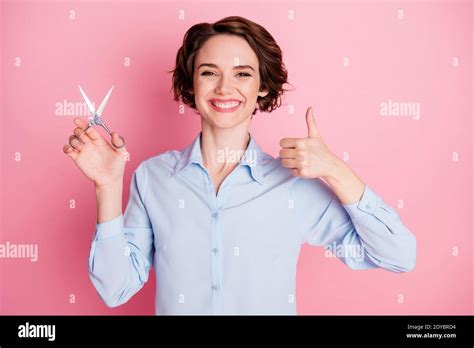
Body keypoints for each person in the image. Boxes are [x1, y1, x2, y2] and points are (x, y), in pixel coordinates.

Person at [63, 16, 416, 315]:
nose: (225, 88)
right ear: (192, 84)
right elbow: (115, 289)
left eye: (243, 74)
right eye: (209, 73)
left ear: (263, 86)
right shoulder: (153, 178)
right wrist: (107, 187)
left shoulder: (294, 186)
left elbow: (399, 255)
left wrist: (335, 170)